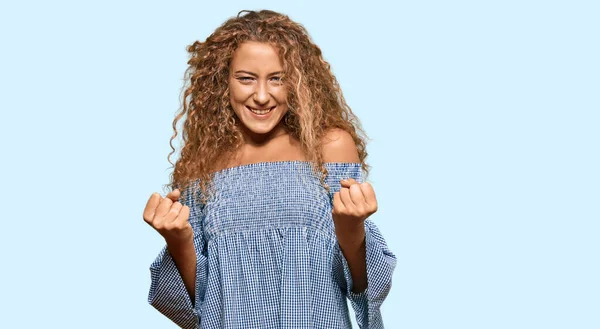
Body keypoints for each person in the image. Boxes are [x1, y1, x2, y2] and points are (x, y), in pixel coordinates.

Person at [143, 9, 396, 329]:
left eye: (277, 78)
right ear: (223, 82)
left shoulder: (329, 147)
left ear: (298, 82)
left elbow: (363, 288)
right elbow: (200, 306)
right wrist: (177, 239)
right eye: (246, 78)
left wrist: (351, 228)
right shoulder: (202, 163)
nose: (262, 96)